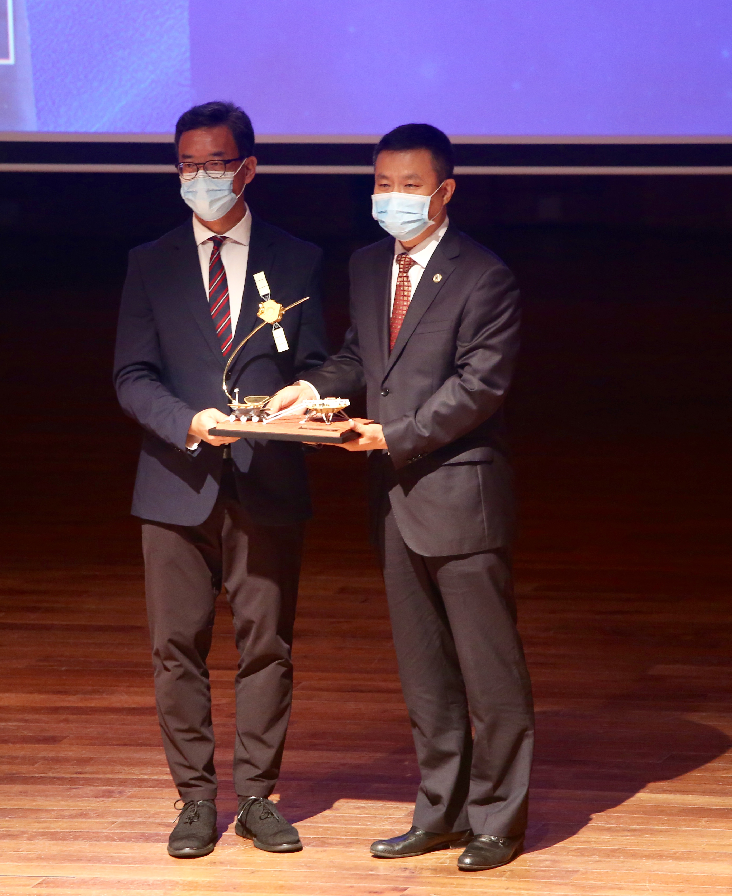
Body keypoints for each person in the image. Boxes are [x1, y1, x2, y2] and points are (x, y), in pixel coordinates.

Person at [268, 123, 533, 872]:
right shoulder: (365, 265)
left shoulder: (485, 276)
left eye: (410, 186)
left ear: (444, 192)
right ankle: (440, 813)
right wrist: (309, 389)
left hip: (459, 495)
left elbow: (480, 386)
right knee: (425, 672)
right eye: (382, 184)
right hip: (393, 502)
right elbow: (360, 356)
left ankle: (498, 821)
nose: (393, 198)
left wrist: (394, 436)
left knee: (488, 671)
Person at [113, 100, 328, 859]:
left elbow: (322, 362)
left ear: (247, 168)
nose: (200, 177)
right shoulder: (151, 261)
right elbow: (131, 375)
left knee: (267, 644)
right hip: (176, 480)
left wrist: (305, 395)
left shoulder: (297, 258)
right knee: (177, 647)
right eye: (188, 165)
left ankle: (259, 796)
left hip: (268, 479)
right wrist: (189, 422)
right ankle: (196, 798)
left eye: (215, 164)